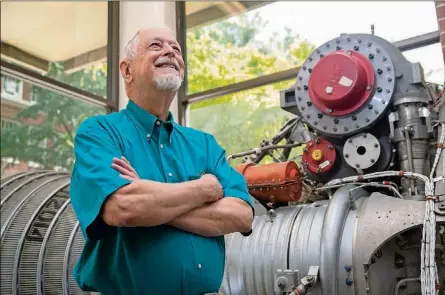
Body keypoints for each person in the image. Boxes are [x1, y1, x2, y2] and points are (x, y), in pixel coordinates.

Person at [69, 27, 254, 295]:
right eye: (156, 46)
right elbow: (123, 208)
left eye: (176, 49)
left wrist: (151, 197)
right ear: (127, 70)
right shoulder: (99, 132)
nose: (170, 51)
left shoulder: (204, 144)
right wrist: (205, 190)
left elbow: (242, 215)